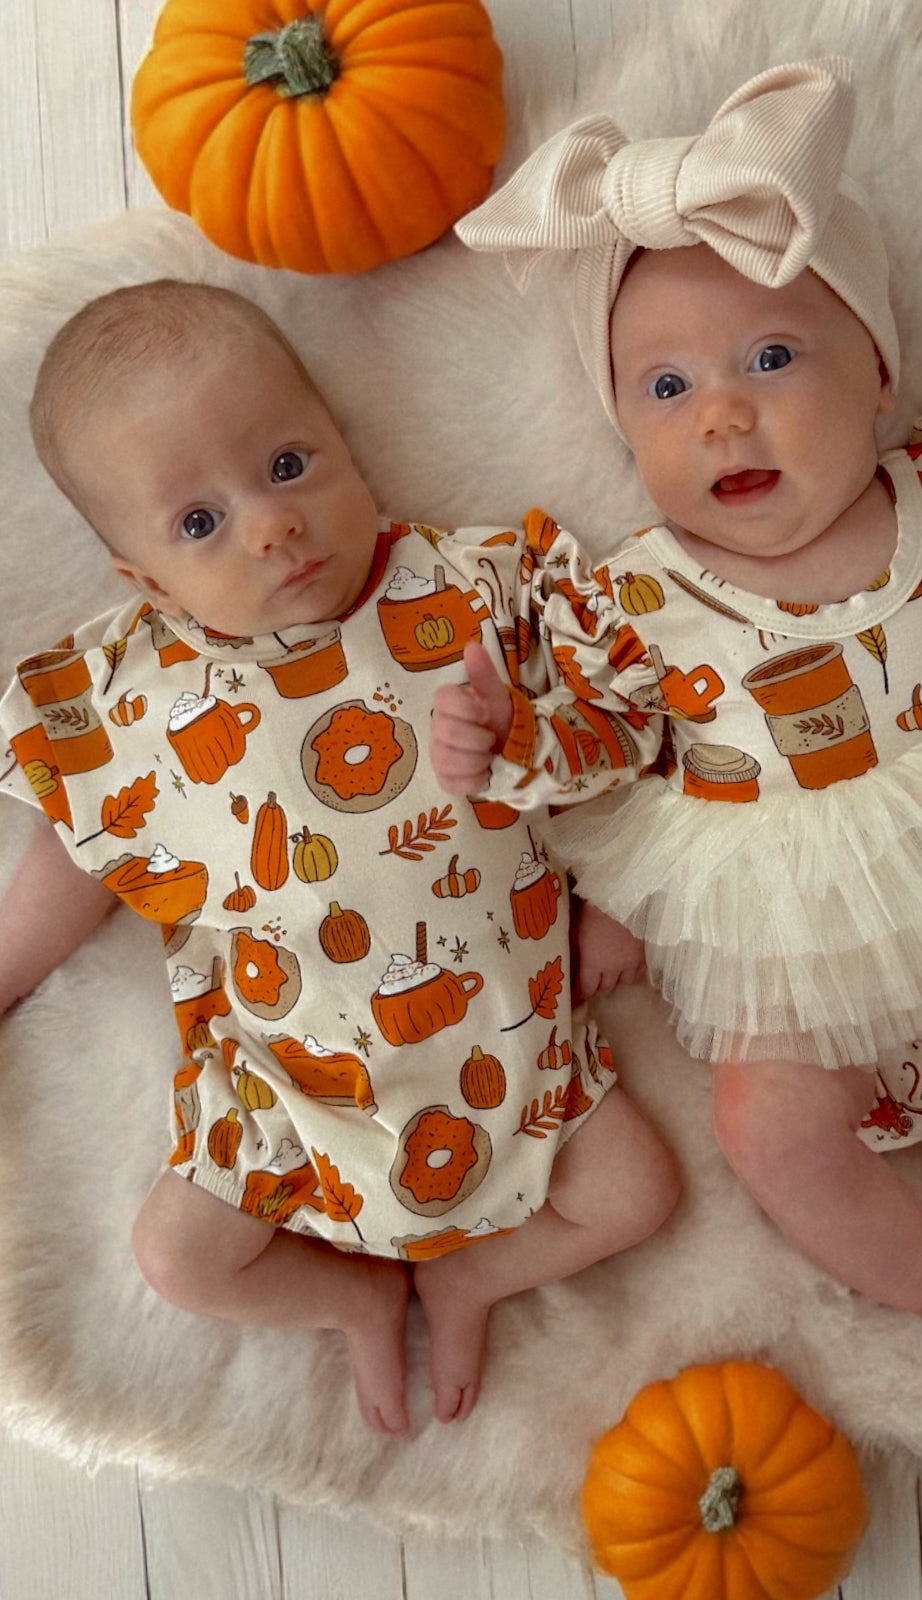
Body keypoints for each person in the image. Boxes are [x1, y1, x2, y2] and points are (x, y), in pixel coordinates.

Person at [430, 59, 922, 1417]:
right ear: (623, 430)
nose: (721, 410)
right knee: (764, 1132)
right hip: (799, 1009)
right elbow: (606, 741)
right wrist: (508, 738)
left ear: (884, 376)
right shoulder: (640, 596)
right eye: (663, 389)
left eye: (772, 359)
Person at [0, 279, 679, 1437]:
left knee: (639, 1192)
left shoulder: (469, 593)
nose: (271, 524)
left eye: (288, 464)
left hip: (515, 1049)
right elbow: (82, 844)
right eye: (200, 522)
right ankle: (356, 1298)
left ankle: (476, 1273)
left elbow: (629, 722)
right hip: (289, 1096)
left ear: (342, 437)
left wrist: (615, 891)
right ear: (149, 584)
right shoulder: (141, 698)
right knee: (179, 1255)